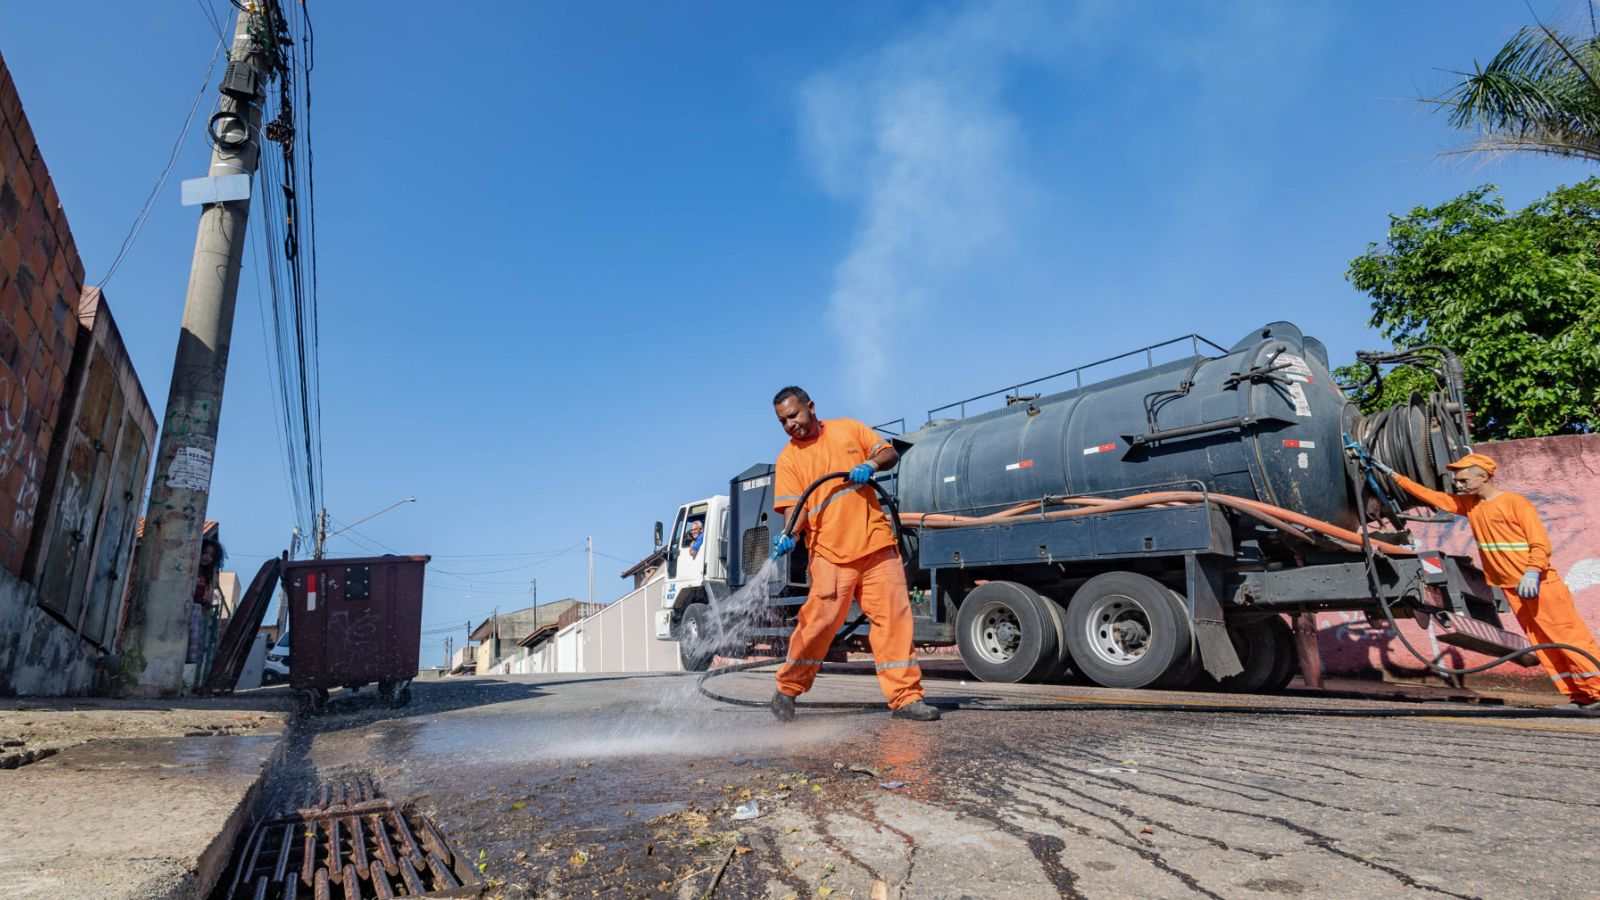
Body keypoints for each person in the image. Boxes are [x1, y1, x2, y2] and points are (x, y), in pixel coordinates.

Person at [766, 386, 941, 722]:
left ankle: (906, 699)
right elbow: (795, 508)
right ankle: (788, 690)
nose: (790, 425)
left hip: (875, 543)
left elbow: (888, 453)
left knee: (893, 620)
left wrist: (870, 464)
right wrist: (789, 535)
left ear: (811, 407)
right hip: (829, 552)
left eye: (794, 415)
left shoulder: (849, 429)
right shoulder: (789, 458)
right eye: (783, 421)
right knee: (818, 624)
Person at [1383, 452, 1600, 712]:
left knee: (1568, 638)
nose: (1458, 484)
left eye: (1463, 480)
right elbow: (1438, 499)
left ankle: (1597, 691)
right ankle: (1579, 696)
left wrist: (1532, 571)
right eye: (1457, 480)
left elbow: (1539, 542)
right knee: (1545, 643)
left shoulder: (1515, 503)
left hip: (1540, 586)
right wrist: (1396, 477)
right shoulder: (1472, 506)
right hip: (1514, 590)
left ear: (1483, 476)